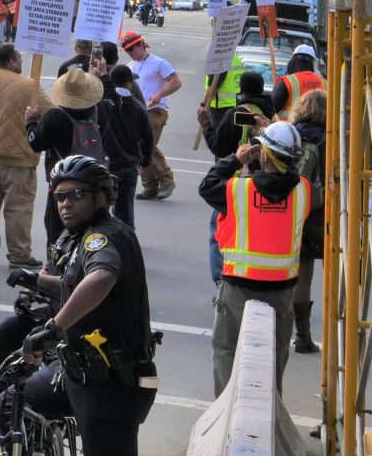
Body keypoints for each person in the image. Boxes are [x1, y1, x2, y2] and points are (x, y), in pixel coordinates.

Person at [12, 154, 157, 456]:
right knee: (13, 397)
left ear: (101, 197)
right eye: (60, 196)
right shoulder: (82, 235)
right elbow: (73, 283)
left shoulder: (102, 237)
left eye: (77, 195)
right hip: (79, 374)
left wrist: (55, 328)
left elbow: (101, 276)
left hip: (111, 386)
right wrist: (35, 280)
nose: (66, 203)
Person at [202, 119, 318, 394]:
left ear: (263, 153)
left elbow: (207, 186)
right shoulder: (305, 190)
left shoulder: (238, 189)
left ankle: (224, 409)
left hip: (238, 286)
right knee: (275, 356)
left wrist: (235, 159)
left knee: (227, 350)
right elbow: (288, 185)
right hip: (281, 289)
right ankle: (272, 406)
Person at [28, 67, 108, 249]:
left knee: (57, 232)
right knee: (91, 230)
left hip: (61, 183)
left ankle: (57, 269)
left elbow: (35, 144)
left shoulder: (54, 116)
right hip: (91, 180)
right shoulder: (100, 111)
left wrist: (31, 122)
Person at [121, 30, 180, 199]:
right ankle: (150, 186)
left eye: (132, 48)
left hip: (156, 110)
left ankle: (167, 180)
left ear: (141, 44)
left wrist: (159, 95)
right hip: (138, 112)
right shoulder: (129, 67)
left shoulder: (158, 63)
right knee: (139, 148)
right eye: (126, 50)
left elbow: (176, 82)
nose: (130, 53)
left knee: (148, 146)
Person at [289, 89, 326, 354]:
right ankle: (304, 336)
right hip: (319, 215)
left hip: (290, 212)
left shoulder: (289, 135)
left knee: (291, 273)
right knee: (309, 276)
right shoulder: (332, 140)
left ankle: (294, 331)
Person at [97, 63, 155, 227]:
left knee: (100, 206)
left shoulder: (104, 105)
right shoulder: (139, 108)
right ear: (129, 83)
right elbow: (148, 138)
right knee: (125, 207)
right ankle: (127, 239)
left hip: (106, 163)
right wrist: (145, 161)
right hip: (129, 164)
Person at [269, 45, 325, 117]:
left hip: (288, 127)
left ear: (293, 61)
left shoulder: (287, 82)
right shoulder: (325, 83)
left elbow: (271, 110)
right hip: (320, 128)